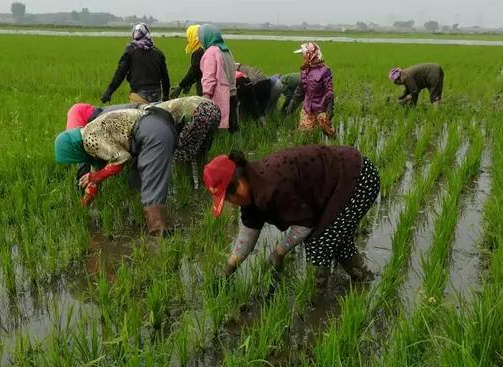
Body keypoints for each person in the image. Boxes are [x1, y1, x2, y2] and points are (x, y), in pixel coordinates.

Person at [203, 145, 380, 287]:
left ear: (240, 185)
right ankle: (363, 278)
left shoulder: (272, 187)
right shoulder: (252, 187)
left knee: (318, 244)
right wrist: (230, 266)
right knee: (334, 238)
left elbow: (306, 223)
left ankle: (316, 300)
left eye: (228, 197)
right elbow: (249, 230)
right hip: (342, 180)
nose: (229, 203)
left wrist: (279, 253)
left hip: (357, 177)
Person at [54, 107, 176, 235]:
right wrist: (83, 204)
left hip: (151, 133)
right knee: (136, 181)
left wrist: (98, 176)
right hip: (156, 125)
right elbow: (94, 182)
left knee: (152, 187)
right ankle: (149, 222)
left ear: (73, 149)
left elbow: (121, 159)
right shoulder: (91, 133)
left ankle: (159, 236)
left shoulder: (89, 139)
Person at [155, 96, 221, 188]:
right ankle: (205, 184)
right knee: (201, 152)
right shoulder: (164, 107)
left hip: (200, 112)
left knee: (181, 153)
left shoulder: (153, 116)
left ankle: (187, 187)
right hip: (214, 109)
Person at [101, 23, 170, 104]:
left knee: (138, 116)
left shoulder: (130, 51)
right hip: (156, 94)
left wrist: (109, 91)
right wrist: (165, 96)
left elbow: (120, 73)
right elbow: (165, 78)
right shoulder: (158, 53)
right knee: (154, 116)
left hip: (138, 94)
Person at [198, 24, 238, 132]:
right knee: (233, 125)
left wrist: (206, 95)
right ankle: (237, 147)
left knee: (217, 127)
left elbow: (209, 76)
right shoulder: (226, 50)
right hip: (232, 93)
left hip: (219, 95)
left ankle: (221, 147)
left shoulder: (211, 52)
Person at [294, 42, 335, 137]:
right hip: (307, 109)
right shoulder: (304, 70)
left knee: (329, 134)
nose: (302, 57)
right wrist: (293, 103)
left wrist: (330, 108)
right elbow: (301, 88)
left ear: (310, 54)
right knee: (304, 135)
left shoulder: (324, 70)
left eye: (303, 54)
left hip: (321, 110)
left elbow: (329, 91)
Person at [170, 25, 204, 98]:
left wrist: (180, 85)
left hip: (205, 88)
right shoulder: (205, 48)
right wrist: (189, 83)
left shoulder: (199, 51)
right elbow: (199, 72)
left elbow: (194, 71)